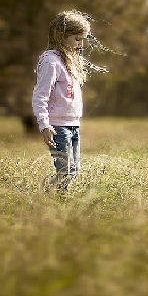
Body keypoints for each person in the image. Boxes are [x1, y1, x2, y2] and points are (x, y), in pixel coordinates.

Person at [32, 10, 90, 191]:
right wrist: (44, 125)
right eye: (77, 39)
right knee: (66, 170)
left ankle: (54, 196)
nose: (81, 45)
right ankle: (53, 199)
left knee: (74, 170)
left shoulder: (70, 61)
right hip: (57, 126)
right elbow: (40, 95)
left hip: (73, 125)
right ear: (63, 36)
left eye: (83, 39)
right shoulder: (51, 61)